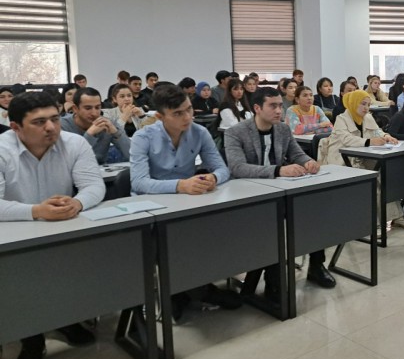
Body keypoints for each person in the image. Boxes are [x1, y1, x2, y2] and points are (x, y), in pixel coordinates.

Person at [0, 91, 105, 359]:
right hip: (13, 233)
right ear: (16, 127)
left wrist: (77, 203)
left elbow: (94, 185)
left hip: (62, 227)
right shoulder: (2, 149)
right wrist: (36, 211)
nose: (51, 128)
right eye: (39, 122)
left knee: (64, 277)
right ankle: (31, 338)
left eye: (55, 119)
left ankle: (66, 320)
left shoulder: (75, 143)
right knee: (22, 284)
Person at [130, 84, 237, 315]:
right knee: (172, 243)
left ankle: (194, 287)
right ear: (160, 117)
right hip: (152, 208)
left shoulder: (199, 132)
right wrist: (180, 185)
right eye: (178, 113)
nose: (187, 117)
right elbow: (138, 182)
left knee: (216, 231)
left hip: (188, 203)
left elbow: (222, 169)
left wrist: (213, 178)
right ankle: (184, 291)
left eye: (188, 109)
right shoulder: (143, 137)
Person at [224, 87, 334, 293]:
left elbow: (296, 154)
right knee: (271, 225)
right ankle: (272, 278)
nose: (278, 111)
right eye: (272, 106)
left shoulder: (282, 129)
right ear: (257, 108)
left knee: (313, 210)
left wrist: (308, 162)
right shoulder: (235, 132)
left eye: (280, 106)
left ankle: (317, 266)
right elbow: (237, 167)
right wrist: (278, 170)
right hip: (249, 195)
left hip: (280, 191)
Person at [318, 90, 404, 229]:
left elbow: (377, 131)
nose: (366, 108)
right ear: (354, 103)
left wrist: (386, 136)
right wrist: (369, 142)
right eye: (363, 104)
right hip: (342, 160)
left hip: (363, 156)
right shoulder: (341, 119)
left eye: (368, 105)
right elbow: (346, 139)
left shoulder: (368, 117)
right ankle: (372, 223)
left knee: (385, 176)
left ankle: (396, 216)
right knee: (369, 182)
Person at [61, 87, 130, 165]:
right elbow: (70, 161)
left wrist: (116, 133)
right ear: (75, 109)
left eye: (97, 107)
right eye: (88, 108)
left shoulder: (107, 123)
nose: (94, 113)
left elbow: (132, 155)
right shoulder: (62, 126)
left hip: (102, 170)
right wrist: (89, 134)